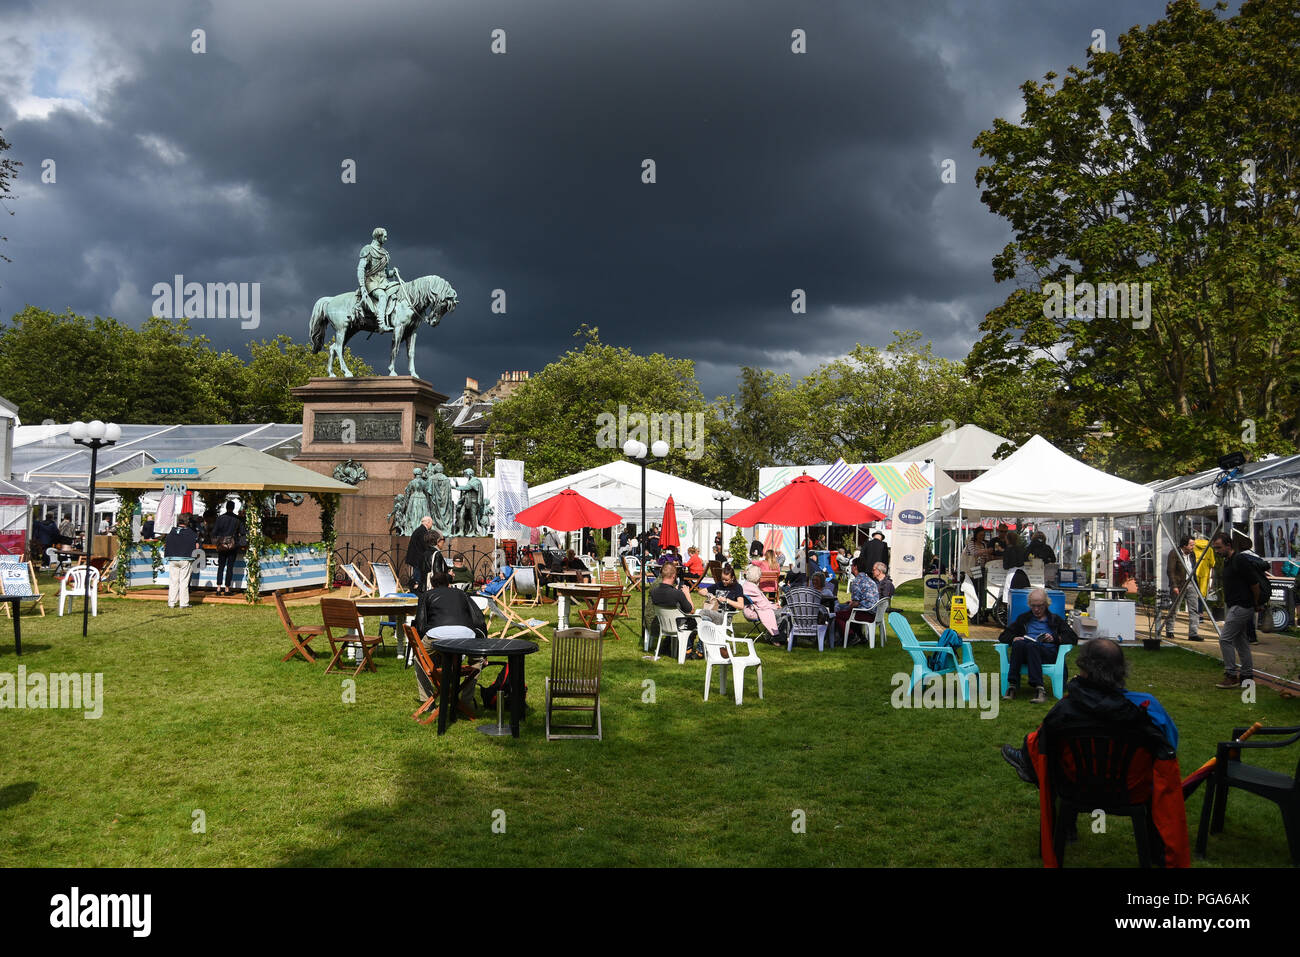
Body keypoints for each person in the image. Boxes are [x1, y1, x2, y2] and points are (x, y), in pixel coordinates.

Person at [998, 638, 1188, 868]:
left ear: (1084, 669)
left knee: (1041, 750)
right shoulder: (1148, 708)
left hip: (1075, 787)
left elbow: (1046, 746)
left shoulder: (1066, 708)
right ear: (1121, 670)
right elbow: (1170, 747)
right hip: (1132, 791)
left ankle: (1030, 769)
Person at [414, 566, 489, 709]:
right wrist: (483, 649)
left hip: (437, 635)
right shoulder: (462, 594)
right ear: (449, 584)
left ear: (432, 585)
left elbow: (421, 624)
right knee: (476, 660)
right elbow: (478, 619)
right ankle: (466, 701)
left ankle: (427, 701)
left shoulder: (426, 596)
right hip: (466, 635)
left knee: (419, 659)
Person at [998, 586, 1079, 703]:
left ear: (1046, 604)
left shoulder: (1055, 620)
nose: (1036, 609)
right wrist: (1013, 638)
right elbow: (1003, 636)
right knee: (1019, 644)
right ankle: (1012, 685)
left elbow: (1073, 638)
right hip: (1027, 652)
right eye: (1033, 606)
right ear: (1029, 605)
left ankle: (1039, 689)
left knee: (1032, 645)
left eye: (1040, 606)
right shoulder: (1024, 619)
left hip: (1047, 654)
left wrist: (1054, 638)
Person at [1209, 532, 1263, 689]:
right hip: (1236, 605)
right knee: (1241, 642)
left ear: (1228, 545)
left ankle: (1231, 674)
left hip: (1242, 605)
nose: (1217, 551)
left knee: (1224, 639)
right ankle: (1247, 676)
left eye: (1219, 547)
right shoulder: (1228, 561)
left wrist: (1256, 602)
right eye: (1215, 548)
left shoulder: (1239, 559)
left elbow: (1254, 583)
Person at [651, 562, 700, 658]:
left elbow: (667, 601)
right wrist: (687, 594)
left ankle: (668, 646)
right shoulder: (677, 594)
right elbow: (691, 610)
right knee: (697, 620)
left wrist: (677, 592)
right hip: (678, 626)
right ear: (674, 576)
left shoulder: (654, 591)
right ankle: (688, 649)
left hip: (664, 626)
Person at [358, 226, 400, 332]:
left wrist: (393, 272)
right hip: (371, 282)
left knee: (397, 290)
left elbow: (386, 273)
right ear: (379, 237)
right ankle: (381, 325)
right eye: (385, 237)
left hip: (383, 282)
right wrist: (362, 286)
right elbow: (361, 269)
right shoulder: (368, 249)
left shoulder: (385, 253)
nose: (386, 239)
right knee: (382, 296)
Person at [834, 557, 880, 646]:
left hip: (865, 614)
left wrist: (847, 607)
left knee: (837, 615)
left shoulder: (857, 581)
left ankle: (851, 636)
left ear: (855, 567)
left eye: (851, 566)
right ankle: (861, 636)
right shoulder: (870, 580)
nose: (851, 568)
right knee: (847, 611)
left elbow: (855, 604)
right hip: (874, 612)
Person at [1164, 535, 1202, 642]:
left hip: (1191, 583)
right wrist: (1174, 585)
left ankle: (1193, 633)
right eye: (1191, 545)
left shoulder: (1192, 554)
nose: (1193, 547)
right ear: (1184, 545)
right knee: (1175, 607)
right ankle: (1170, 630)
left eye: (1193, 545)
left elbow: (1193, 569)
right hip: (1179, 584)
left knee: (1194, 609)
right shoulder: (1174, 553)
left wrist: (1197, 587)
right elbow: (1170, 571)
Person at [163, 514, 200, 609]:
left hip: (173, 558)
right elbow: (197, 547)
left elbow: (165, 544)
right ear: (187, 522)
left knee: (173, 581)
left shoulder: (171, 531)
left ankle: (171, 602)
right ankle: (183, 603)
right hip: (185, 559)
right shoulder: (191, 533)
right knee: (184, 582)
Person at [211, 500, 243, 597]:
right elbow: (242, 532)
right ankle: (227, 588)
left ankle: (218, 588)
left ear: (226, 507)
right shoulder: (238, 519)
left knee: (220, 567)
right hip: (233, 546)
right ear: (233, 508)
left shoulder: (220, 518)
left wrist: (217, 542)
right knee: (230, 567)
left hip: (221, 545)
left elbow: (214, 532)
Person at [740, 563, 779, 640]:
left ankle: (773, 636)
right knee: (781, 614)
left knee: (779, 612)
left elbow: (761, 602)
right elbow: (762, 605)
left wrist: (773, 605)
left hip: (750, 610)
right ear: (757, 577)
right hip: (752, 613)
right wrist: (774, 606)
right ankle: (775, 637)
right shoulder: (752, 588)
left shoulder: (747, 585)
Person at [404, 516, 437, 592]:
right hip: (418, 559)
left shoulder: (419, 530)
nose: (431, 525)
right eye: (431, 523)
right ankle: (417, 591)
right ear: (428, 522)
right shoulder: (422, 531)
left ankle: (416, 589)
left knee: (417, 575)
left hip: (416, 558)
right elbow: (424, 545)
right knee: (418, 577)